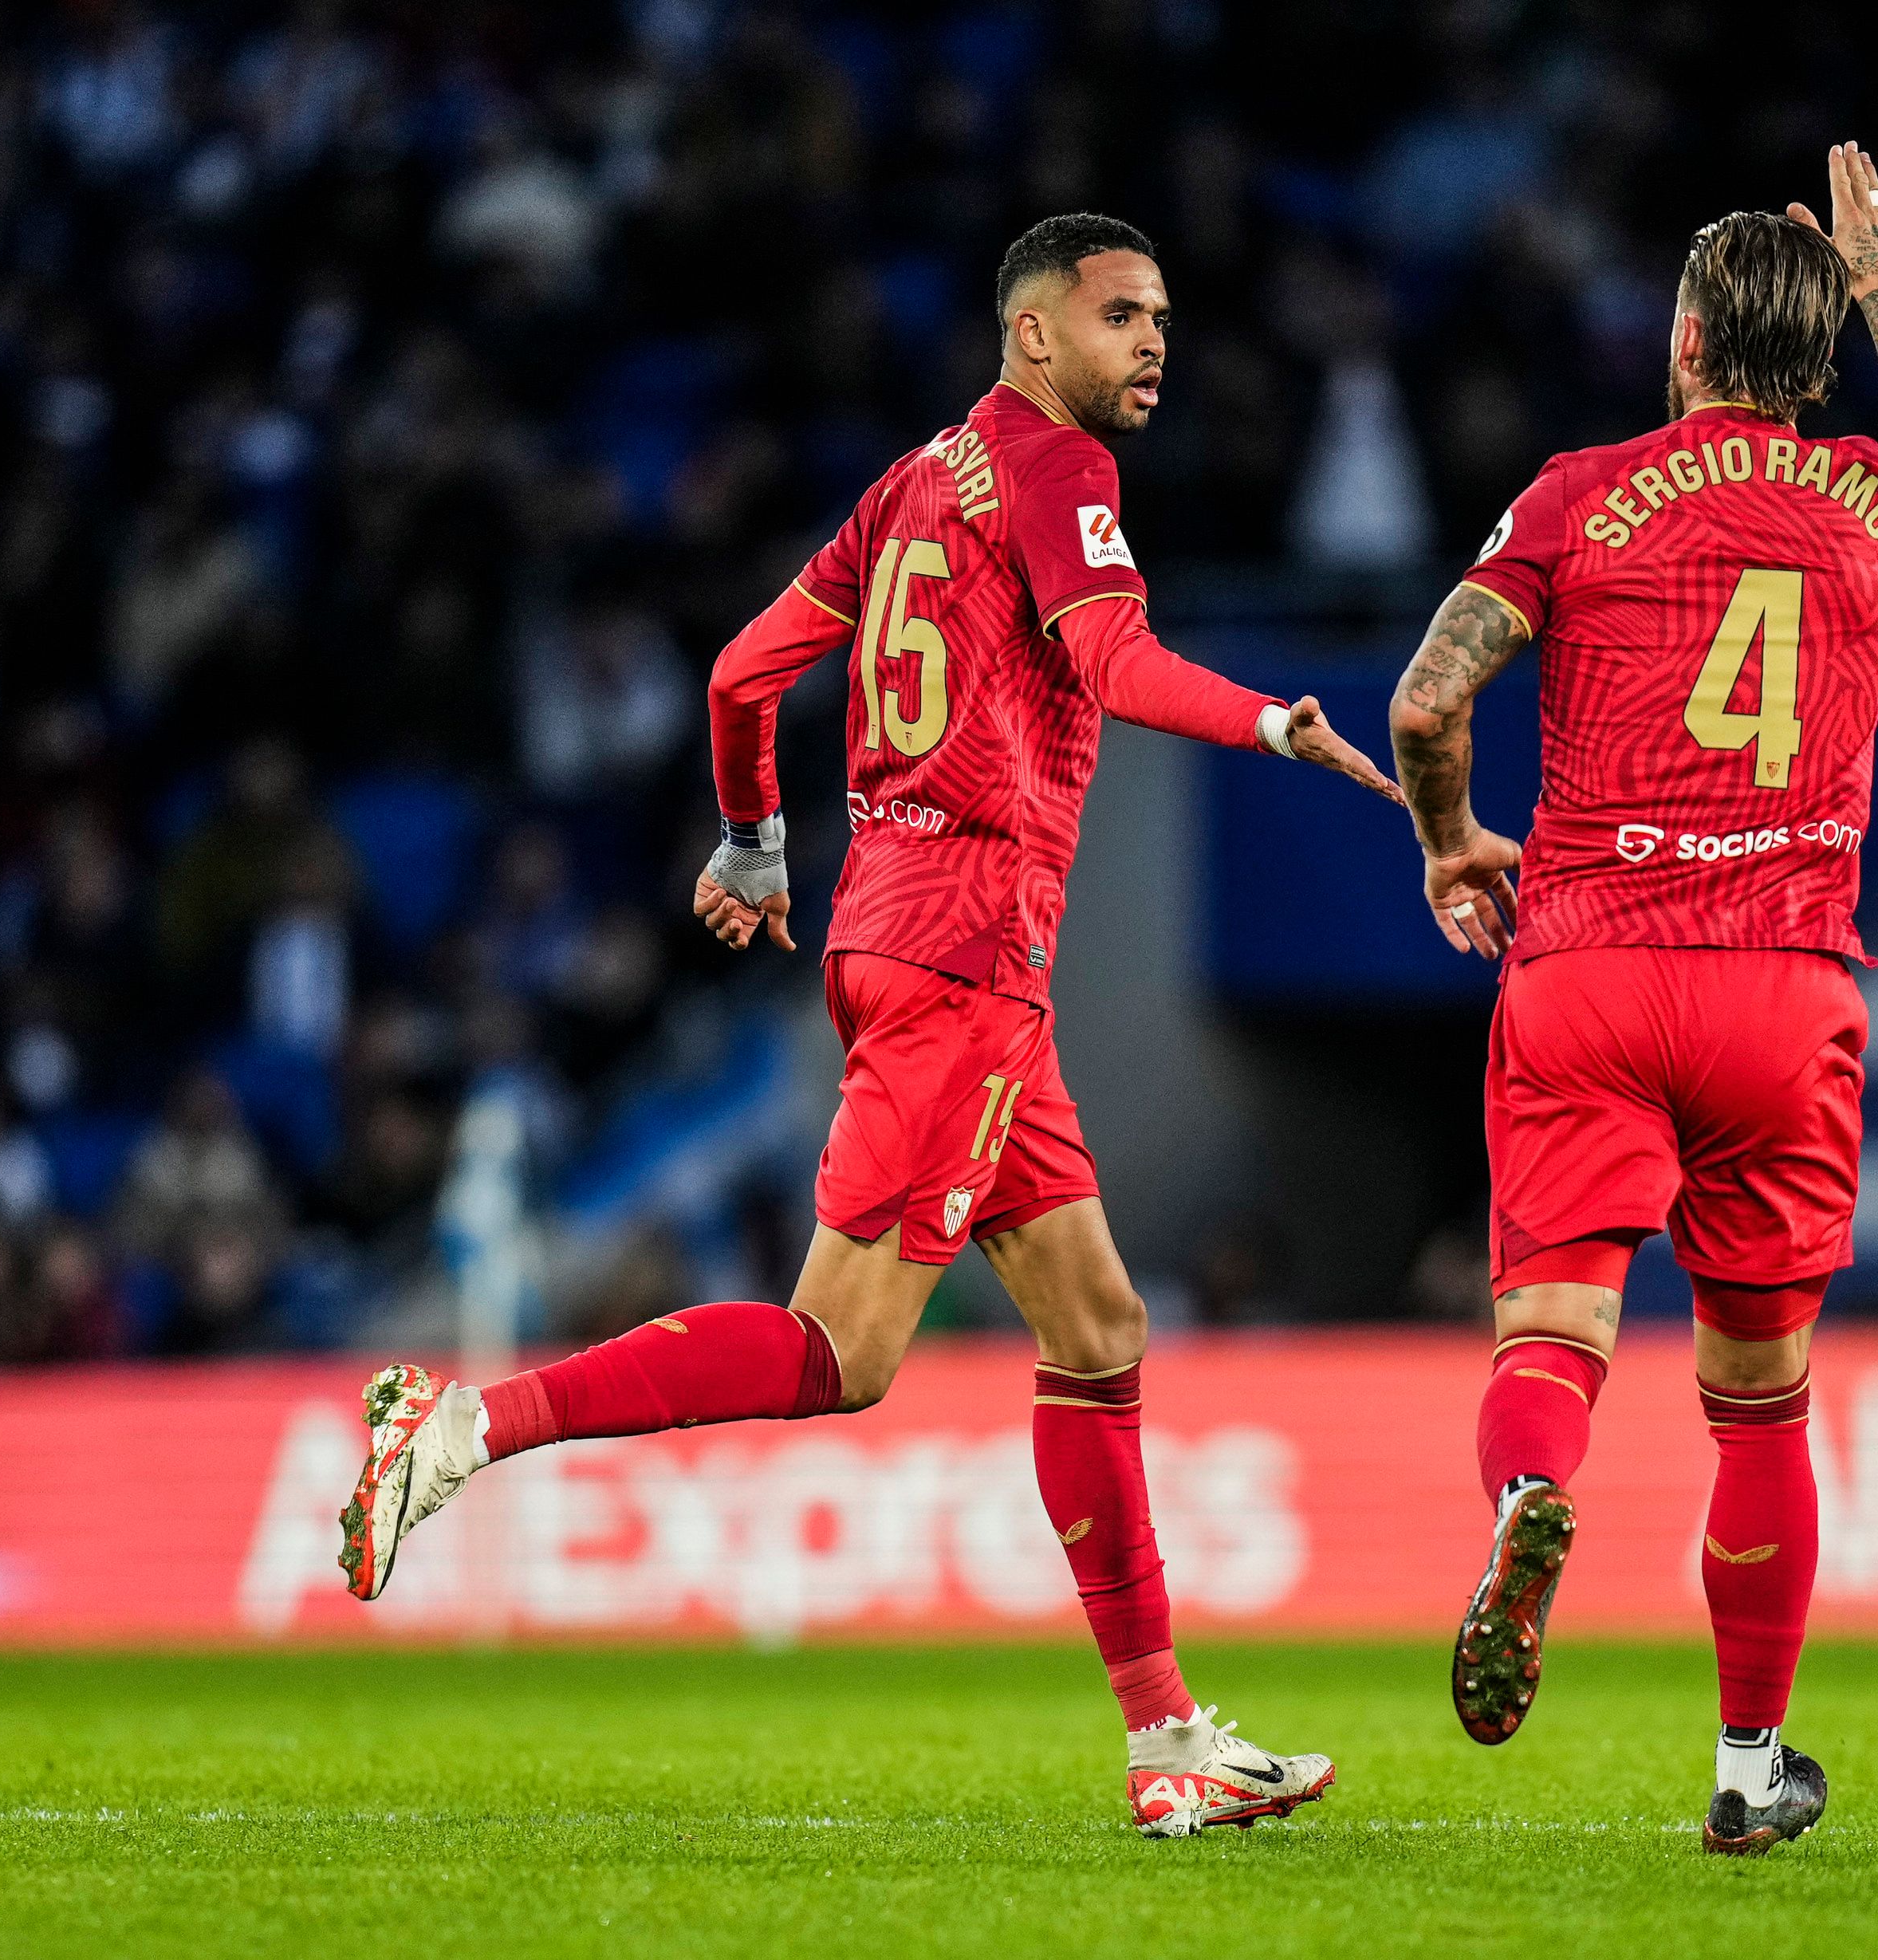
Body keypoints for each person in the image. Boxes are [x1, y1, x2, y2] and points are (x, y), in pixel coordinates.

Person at [337, 214, 1400, 1835]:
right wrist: (1271, 717)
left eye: (1165, 317)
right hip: (964, 943)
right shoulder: (1057, 473)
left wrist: (754, 837)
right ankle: (466, 1421)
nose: (1154, 343)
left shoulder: (912, 484)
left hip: (912, 938)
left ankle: (1164, 1731)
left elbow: (743, 673)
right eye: (1122, 316)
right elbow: (1111, 657)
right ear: (1033, 336)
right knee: (841, 1349)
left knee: (1099, 1324)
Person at [1387, 144, 1878, 1854]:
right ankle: (1744, 1769)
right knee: (1759, 1398)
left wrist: (1450, 848)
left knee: (1550, 1341)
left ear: (1684, 338)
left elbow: (1429, 705)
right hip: (1784, 991)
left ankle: (1527, 1501)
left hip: (1588, 964)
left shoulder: (1581, 494)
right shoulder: (1876, 501)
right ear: (1812, 357)